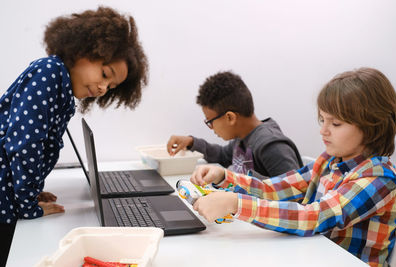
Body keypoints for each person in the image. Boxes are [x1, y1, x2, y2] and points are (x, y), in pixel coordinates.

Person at [190, 68, 396, 267]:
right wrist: (225, 177)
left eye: (335, 124)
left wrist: (237, 204)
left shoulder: (380, 178)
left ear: (372, 126)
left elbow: (314, 216)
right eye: (322, 120)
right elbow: (275, 188)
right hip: (312, 255)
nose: (323, 131)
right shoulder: (329, 160)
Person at [0, 6, 148, 266]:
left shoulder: (63, 93)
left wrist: (30, 191)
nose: (102, 88)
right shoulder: (49, 73)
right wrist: (27, 205)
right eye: (104, 75)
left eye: (110, 87)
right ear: (82, 50)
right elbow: (24, 146)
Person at [167, 71, 303, 178]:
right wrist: (191, 142)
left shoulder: (271, 146)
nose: (211, 128)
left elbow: (295, 195)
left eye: (210, 122)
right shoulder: (243, 138)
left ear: (230, 117)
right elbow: (221, 155)